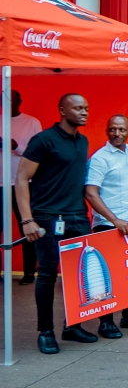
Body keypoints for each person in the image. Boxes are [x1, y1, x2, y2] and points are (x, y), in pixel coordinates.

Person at [16, 94, 95, 354]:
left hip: (77, 217)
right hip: (48, 218)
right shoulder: (44, 140)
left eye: (85, 108)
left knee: (77, 276)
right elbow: (21, 179)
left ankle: (72, 326)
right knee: (48, 275)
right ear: (62, 110)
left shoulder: (82, 141)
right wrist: (27, 220)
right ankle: (45, 331)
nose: (84, 112)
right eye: (78, 108)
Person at [82, 114, 128, 338]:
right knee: (107, 275)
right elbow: (91, 192)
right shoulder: (100, 158)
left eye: (121, 130)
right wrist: (113, 219)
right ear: (107, 131)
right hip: (109, 225)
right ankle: (106, 322)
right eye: (112, 129)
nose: (116, 134)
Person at [8, 90, 41, 284]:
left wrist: (16, 147)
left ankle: (30, 272)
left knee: (26, 226)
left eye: (12, 102)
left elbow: (38, 153)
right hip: (1, 183)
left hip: (23, 183)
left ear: (20, 102)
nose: (9, 106)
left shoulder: (31, 122)